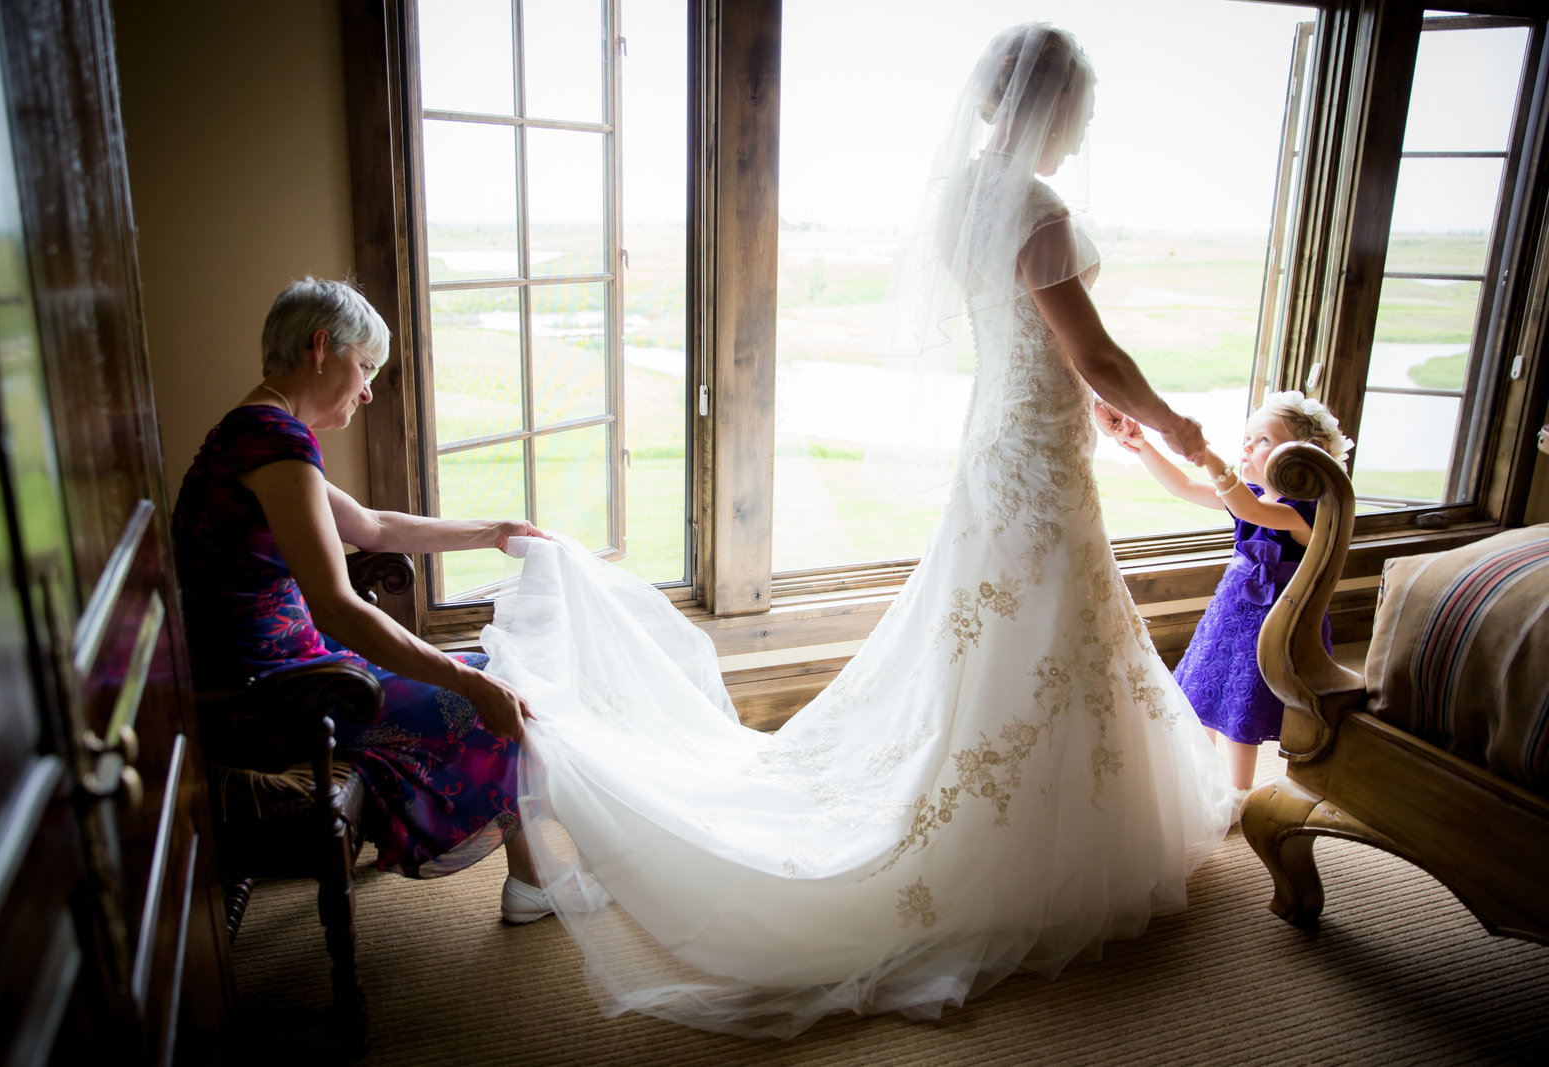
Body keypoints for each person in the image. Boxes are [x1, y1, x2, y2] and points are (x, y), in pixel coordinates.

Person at [477, 22, 1234, 1038]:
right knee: (1042, 623)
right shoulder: (1037, 208)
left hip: (1003, 439)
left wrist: (1091, 399)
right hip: (1035, 454)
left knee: (1003, 626)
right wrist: (1175, 424)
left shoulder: (966, 197)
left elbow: (1030, 337)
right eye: (1080, 111)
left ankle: (1029, 799)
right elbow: (1090, 351)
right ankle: (1018, 834)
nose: (1081, 130)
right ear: (1052, 105)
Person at [172, 277, 554, 918]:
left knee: (497, 676)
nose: (369, 389)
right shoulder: (276, 443)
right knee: (494, 689)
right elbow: (337, 607)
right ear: (322, 347)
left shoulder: (250, 432)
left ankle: (530, 878)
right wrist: (466, 681)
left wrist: (494, 531)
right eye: (366, 366)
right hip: (275, 692)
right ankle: (532, 882)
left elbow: (372, 527)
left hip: (273, 665)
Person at [1106, 391, 1353, 801]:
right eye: (1247, 438)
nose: (1248, 448)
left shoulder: (1303, 512)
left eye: (1264, 440)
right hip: (1230, 614)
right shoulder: (1250, 495)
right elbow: (1184, 486)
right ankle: (1198, 773)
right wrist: (1143, 445)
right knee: (1203, 691)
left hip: (1275, 624)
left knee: (1244, 705)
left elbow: (1251, 512)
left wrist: (1208, 457)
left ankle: (1239, 792)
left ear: (1303, 458)